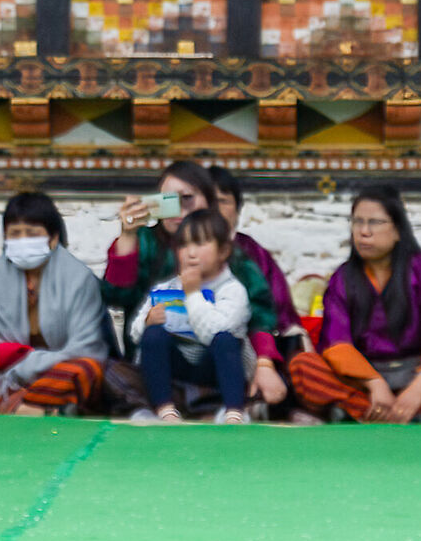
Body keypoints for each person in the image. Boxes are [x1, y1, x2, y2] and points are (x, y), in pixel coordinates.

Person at [287, 187, 421, 424]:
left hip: (417, 375)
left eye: (374, 223)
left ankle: (369, 413)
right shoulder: (342, 279)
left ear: (397, 231)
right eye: (357, 222)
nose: (364, 232)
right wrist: (374, 383)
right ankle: (390, 412)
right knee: (303, 366)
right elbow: (336, 344)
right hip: (363, 382)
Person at [102, 161, 286, 417]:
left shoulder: (230, 253)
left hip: (216, 366)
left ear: (209, 202)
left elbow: (260, 315)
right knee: (108, 371)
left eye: (187, 199)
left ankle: (217, 407)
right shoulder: (144, 241)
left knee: (242, 358)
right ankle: (172, 406)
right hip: (158, 368)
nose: (178, 210)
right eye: (168, 201)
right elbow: (115, 296)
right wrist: (128, 236)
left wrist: (265, 363)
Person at [0, 192, 112, 416]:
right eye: (15, 234)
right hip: (4, 374)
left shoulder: (79, 279)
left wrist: (28, 365)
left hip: (55, 370)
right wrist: (5, 357)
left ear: (53, 238)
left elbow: (83, 348)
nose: (23, 241)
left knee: (86, 370)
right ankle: (31, 409)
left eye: (31, 233)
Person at [126, 208, 253, 425]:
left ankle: (233, 412)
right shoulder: (166, 288)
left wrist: (193, 293)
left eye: (200, 244)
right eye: (183, 245)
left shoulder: (232, 290)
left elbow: (213, 333)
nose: (190, 253)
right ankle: (165, 409)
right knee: (154, 335)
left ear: (222, 251)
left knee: (225, 340)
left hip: (215, 368)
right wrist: (147, 322)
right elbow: (136, 335)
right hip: (178, 368)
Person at [206, 164, 311, 416]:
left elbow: (275, 312)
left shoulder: (250, 254)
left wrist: (266, 359)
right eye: (207, 201)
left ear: (238, 211)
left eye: (223, 201)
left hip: (253, 344)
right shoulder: (178, 250)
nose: (214, 209)